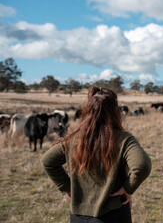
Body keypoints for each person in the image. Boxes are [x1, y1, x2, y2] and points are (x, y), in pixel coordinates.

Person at [41, 86, 151, 223]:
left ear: (87, 111)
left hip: (78, 217)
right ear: (115, 111)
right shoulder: (124, 139)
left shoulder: (73, 139)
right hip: (113, 214)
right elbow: (142, 166)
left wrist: (67, 188)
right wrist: (127, 189)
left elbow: (47, 161)